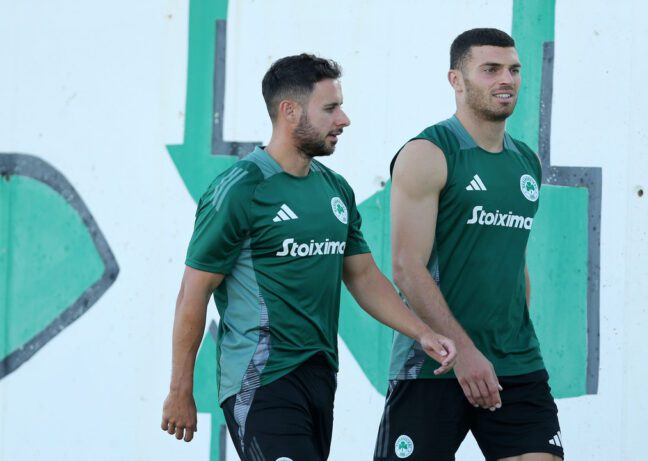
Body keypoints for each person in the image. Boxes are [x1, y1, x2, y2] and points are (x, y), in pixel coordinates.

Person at [160, 53, 456, 461]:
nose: (344, 119)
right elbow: (193, 294)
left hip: (320, 377)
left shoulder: (335, 189)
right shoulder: (240, 189)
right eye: (330, 108)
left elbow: (364, 277)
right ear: (289, 111)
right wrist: (180, 390)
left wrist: (421, 332)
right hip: (260, 379)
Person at [373, 29, 564, 461]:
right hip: (433, 367)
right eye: (491, 69)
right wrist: (465, 353)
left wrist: (508, 340)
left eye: (514, 69)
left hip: (514, 364)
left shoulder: (526, 161)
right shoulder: (428, 153)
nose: (507, 79)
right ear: (456, 80)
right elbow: (407, 268)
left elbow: (515, 262)